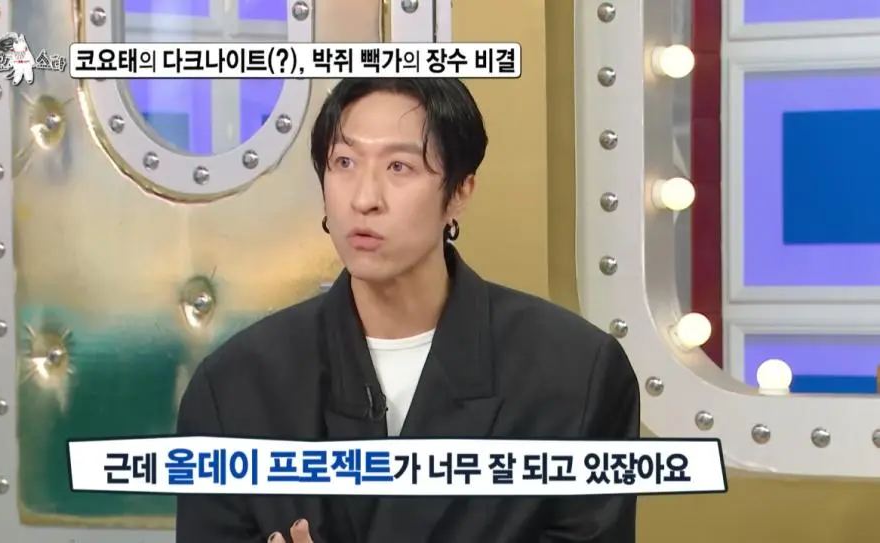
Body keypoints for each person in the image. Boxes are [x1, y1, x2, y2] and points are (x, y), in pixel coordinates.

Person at [176, 78, 640, 543]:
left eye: (399, 166)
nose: (364, 199)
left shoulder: (575, 377)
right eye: (344, 163)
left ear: (459, 192)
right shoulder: (235, 387)